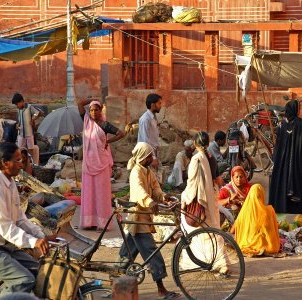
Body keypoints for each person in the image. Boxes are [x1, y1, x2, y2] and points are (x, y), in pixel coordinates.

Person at [0, 142, 55, 296]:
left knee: (40, 271)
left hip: (6, 246)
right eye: (18, 160)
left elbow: (20, 219)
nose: (22, 164)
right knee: (23, 280)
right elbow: (5, 226)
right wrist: (32, 242)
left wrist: (40, 236)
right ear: (5, 162)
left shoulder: (10, 182)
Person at [117, 142, 180, 300]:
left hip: (142, 217)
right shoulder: (136, 172)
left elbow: (155, 187)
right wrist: (150, 202)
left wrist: (163, 196)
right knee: (152, 254)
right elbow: (139, 191)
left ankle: (114, 280)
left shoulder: (148, 171)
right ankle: (161, 290)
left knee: (128, 253)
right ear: (142, 157)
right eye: (149, 156)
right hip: (138, 217)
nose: (152, 158)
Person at [181, 131, 228, 274]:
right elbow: (217, 179)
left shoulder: (196, 159)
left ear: (195, 143)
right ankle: (221, 262)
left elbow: (192, 183)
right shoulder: (211, 157)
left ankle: (198, 260)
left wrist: (184, 198)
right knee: (214, 229)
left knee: (192, 229)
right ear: (207, 143)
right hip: (211, 195)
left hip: (199, 198)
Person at [77, 99, 125, 230]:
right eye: (91, 110)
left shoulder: (104, 125)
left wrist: (108, 142)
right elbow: (80, 104)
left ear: (100, 110)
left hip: (101, 164)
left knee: (101, 193)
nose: (93, 112)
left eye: (96, 109)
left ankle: (102, 223)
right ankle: (89, 222)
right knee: (89, 192)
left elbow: (121, 133)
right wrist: (92, 98)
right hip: (88, 164)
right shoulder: (87, 121)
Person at [269, 100, 302, 215]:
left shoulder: (281, 124)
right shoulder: (300, 123)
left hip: (282, 161)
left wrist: (276, 158)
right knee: (295, 179)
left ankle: (281, 206)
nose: (299, 111)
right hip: (296, 160)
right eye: (298, 108)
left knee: (282, 180)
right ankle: (294, 208)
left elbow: (277, 144)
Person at [231, 184, 280, 257]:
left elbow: (232, 231)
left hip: (245, 244)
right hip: (269, 247)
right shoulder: (269, 210)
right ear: (262, 195)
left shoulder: (244, 211)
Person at [12, 93, 44, 165]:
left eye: (17, 104)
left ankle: (31, 164)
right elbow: (19, 120)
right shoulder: (19, 110)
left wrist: (33, 119)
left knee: (30, 150)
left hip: (29, 133)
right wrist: (17, 125)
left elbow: (39, 112)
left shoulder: (29, 107)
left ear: (21, 101)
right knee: (20, 150)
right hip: (21, 133)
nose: (17, 106)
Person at [137, 93, 162, 170]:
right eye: (159, 103)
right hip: (147, 155)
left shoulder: (153, 117)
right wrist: (153, 157)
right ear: (153, 105)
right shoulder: (145, 119)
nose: (160, 106)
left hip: (153, 152)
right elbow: (145, 141)